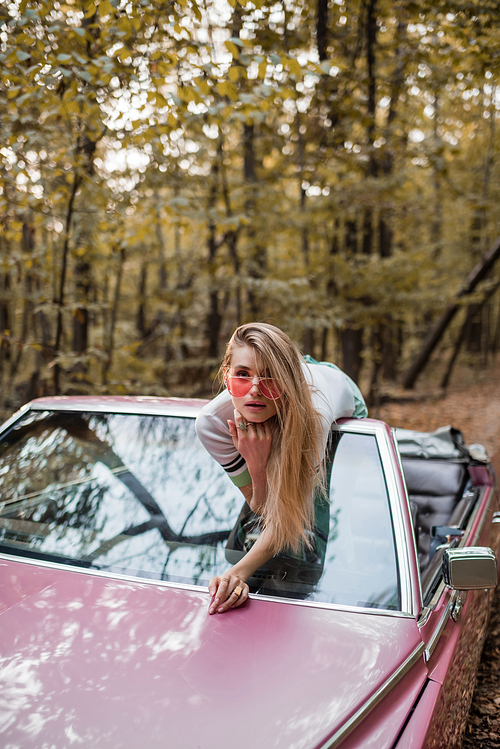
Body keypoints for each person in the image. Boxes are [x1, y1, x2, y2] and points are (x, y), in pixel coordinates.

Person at [195, 322, 367, 614]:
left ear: (287, 380)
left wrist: (238, 572)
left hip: (333, 387)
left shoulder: (314, 418)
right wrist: (256, 464)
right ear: (227, 373)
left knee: (325, 509)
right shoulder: (211, 423)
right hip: (293, 384)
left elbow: (286, 520)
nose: (254, 390)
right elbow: (260, 506)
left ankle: (346, 548)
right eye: (242, 375)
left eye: (270, 377)